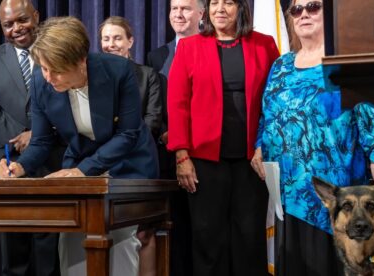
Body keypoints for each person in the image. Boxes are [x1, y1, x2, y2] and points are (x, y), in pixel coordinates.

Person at [0, 16, 159, 276]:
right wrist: (19, 166)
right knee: (71, 239)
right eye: (44, 68)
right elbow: (41, 140)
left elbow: (128, 134)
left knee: (119, 236)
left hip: (127, 165)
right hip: (81, 167)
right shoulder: (41, 80)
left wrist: (83, 170)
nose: (48, 77)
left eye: (56, 70)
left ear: (81, 60)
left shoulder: (118, 71)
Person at [251, 0, 374, 275]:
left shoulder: (344, 61)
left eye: (313, 7)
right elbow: (268, 114)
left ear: (329, 14)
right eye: (296, 9)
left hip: (339, 194)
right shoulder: (281, 66)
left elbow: (370, 111)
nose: (303, 14)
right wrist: (259, 145)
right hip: (290, 191)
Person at [167, 0, 279, 274]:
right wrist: (182, 155)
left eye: (228, 2)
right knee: (207, 238)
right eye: (214, 2)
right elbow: (177, 104)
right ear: (206, 10)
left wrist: (265, 145)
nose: (220, 8)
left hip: (252, 159)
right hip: (204, 160)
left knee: (249, 237)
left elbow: (276, 100)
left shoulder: (264, 45)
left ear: (241, 8)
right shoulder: (189, 47)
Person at [0, 0, 64, 275]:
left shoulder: (58, 54)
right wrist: (18, 136)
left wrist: (36, 135)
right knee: (11, 246)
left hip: (51, 158)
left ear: (36, 16)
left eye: (22, 20)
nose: (16, 29)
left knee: (47, 243)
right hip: (5, 159)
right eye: (8, 24)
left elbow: (70, 98)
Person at [98, 15, 162, 276]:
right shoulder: (93, 77)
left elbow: (153, 119)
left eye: (117, 38)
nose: (111, 44)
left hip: (139, 164)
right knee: (106, 233)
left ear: (130, 41)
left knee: (143, 233)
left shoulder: (147, 76)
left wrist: (123, 140)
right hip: (104, 167)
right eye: (105, 38)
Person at [146, 1, 204, 275]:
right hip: (167, 154)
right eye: (174, 9)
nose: (178, 15)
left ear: (202, 13)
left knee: (202, 228)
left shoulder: (213, 47)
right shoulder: (156, 56)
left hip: (204, 150)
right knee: (175, 226)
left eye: (186, 9)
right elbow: (152, 101)